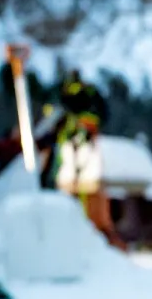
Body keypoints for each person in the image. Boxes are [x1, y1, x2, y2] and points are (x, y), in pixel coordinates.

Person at [46, 70, 120, 245]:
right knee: (68, 187)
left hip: (83, 151)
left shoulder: (88, 95)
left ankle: (90, 230)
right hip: (68, 153)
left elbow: (99, 115)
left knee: (88, 190)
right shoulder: (63, 96)